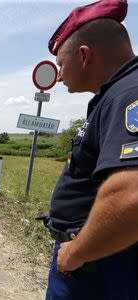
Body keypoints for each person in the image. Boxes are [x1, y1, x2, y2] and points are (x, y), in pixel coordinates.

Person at [44, 0, 138, 298]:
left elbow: (132, 196)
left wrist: (76, 254)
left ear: (85, 55)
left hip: (99, 266)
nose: (58, 76)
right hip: (98, 258)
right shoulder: (116, 93)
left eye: (60, 64)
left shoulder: (128, 93)